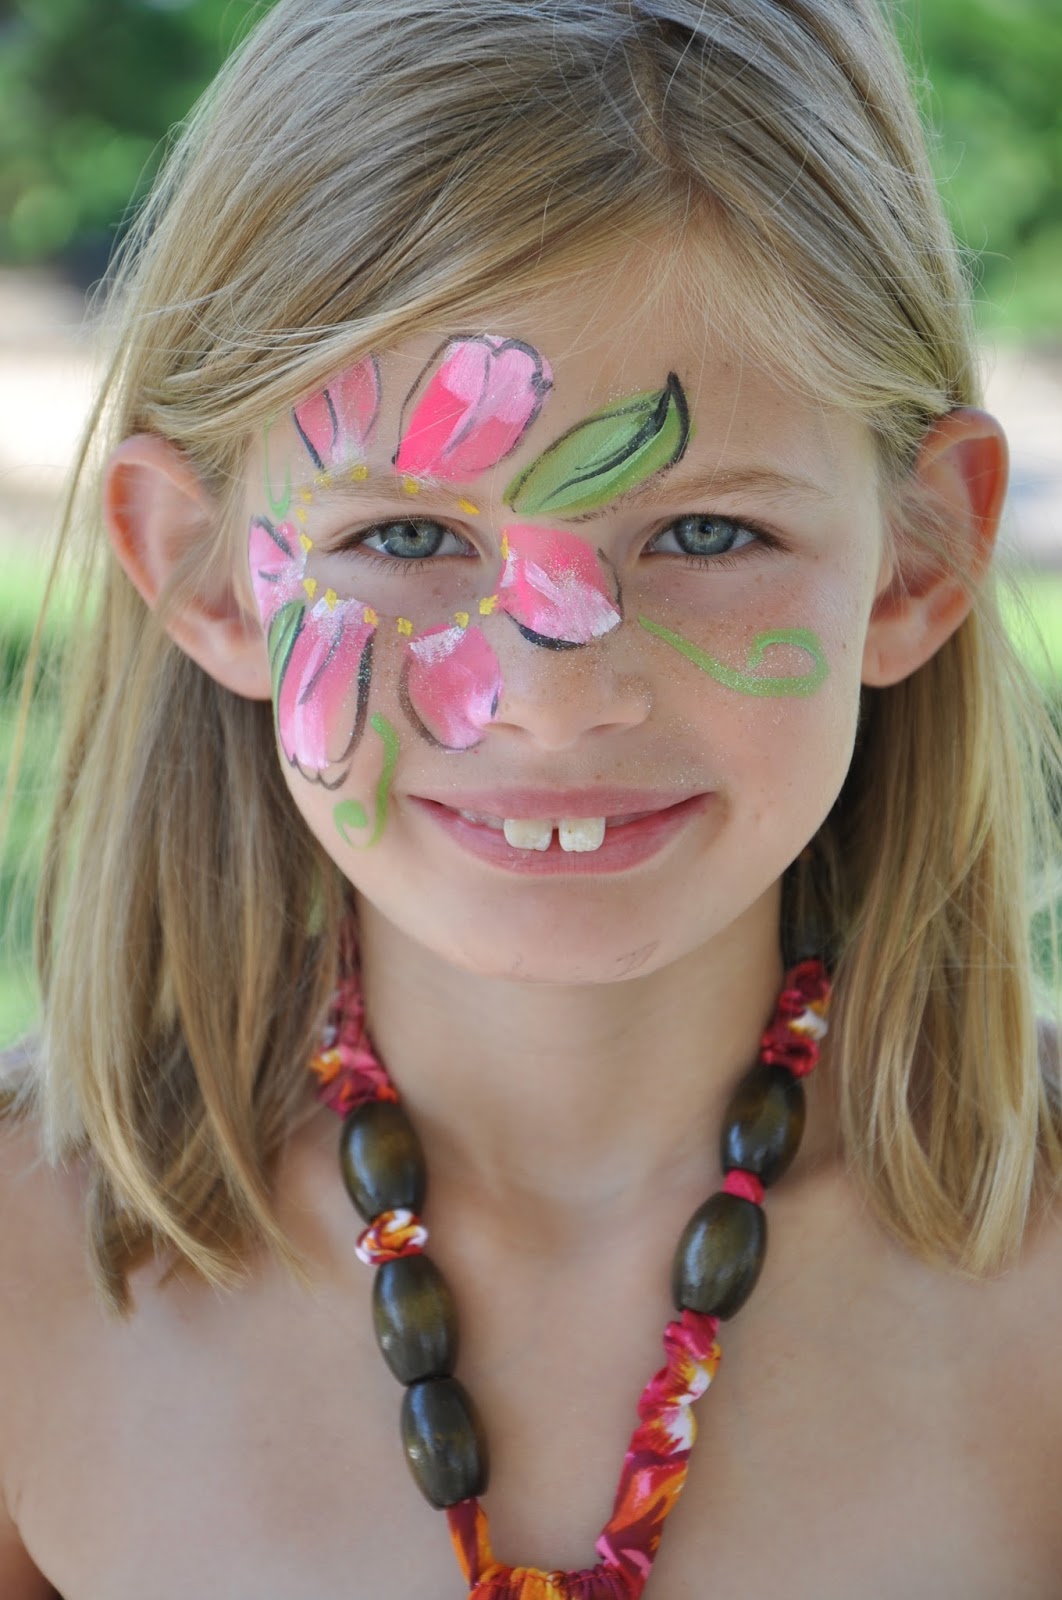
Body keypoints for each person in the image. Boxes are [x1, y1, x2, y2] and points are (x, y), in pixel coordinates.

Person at [2, 0, 1061, 1594]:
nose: (557, 700)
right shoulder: (28, 1280)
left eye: (705, 538)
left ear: (917, 561)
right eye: (410, 542)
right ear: (203, 573)